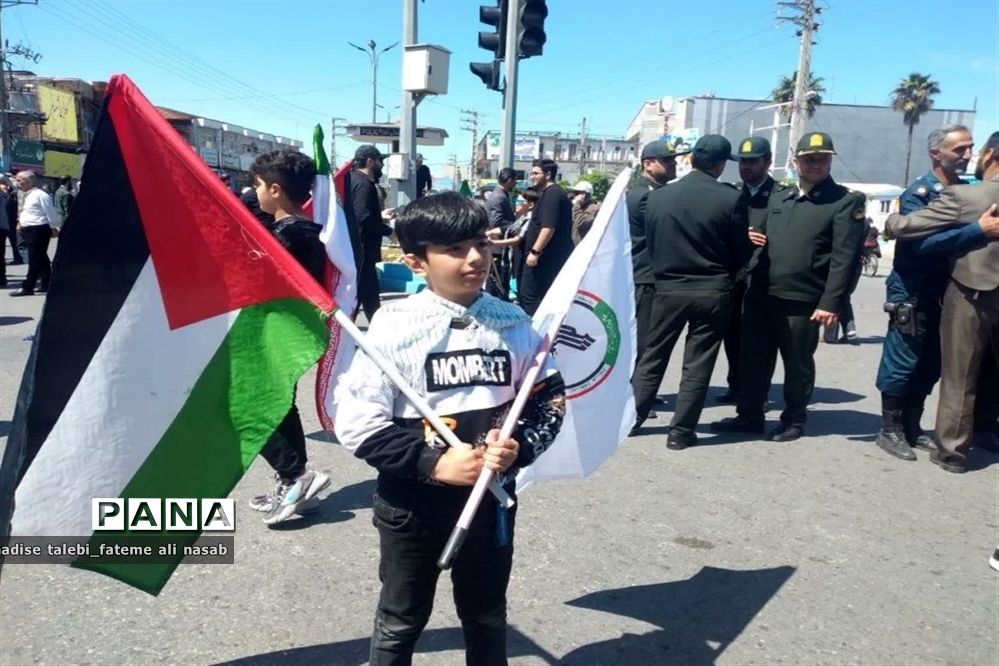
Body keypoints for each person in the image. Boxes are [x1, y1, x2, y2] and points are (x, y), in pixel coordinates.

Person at [333, 192, 566, 665]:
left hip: (492, 504)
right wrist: (434, 462)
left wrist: (517, 449)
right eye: (455, 249)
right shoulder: (392, 327)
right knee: (401, 618)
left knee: (485, 616)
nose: (476, 258)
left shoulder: (516, 323)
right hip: (410, 509)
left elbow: (550, 401)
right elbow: (357, 423)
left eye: (480, 243)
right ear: (417, 262)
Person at [712, 132, 866, 441]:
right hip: (761, 294)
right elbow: (760, 235)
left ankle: (795, 419)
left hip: (803, 300)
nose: (815, 165)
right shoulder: (778, 196)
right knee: (753, 361)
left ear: (830, 161)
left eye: (822, 159)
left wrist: (831, 302)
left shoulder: (845, 201)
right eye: (809, 159)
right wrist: (749, 236)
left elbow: (845, 259)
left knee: (797, 365)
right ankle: (749, 416)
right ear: (796, 162)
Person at [884, 131, 999, 474]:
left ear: (989, 155)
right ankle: (891, 429)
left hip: (957, 291)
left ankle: (917, 429)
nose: (967, 154)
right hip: (917, 287)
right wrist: (976, 231)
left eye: (970, 148)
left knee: (940, 368)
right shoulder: (926, 192)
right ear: (936, 153)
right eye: (959, 148)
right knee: (903, 360)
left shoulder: (967, 192)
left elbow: (899, 225)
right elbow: (913, 242)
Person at [630, 135, 748, 447]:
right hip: (713, 289)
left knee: (652, 357)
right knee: (698, 363)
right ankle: (680, 433)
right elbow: (741, 250)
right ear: (721, 165)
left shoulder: (658, 198)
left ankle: (632, 420)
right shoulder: (730, 198)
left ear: (691, 160)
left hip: (667, 287)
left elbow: (651, 246)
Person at [246, 150, 332, 524]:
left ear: (276, 189)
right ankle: (293, 483)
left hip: (275, 335)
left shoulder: (289, 234)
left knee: (248, 410)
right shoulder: (303, 229)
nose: (255, 192)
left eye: (258, 185)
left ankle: (297, 476)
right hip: (287, 333)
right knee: (281, 408)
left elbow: (261, 280)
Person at [719, 136, 785, 403]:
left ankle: (757, 391)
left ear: (768, 162)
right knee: (732, 337)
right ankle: (736, 385)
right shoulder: (734, 194)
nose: (746, 168)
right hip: (736, 279)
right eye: (743, 162)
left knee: (760, 343)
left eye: (752, 162)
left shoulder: (781, 196)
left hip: (764, 279)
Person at [627, 139, 687, 367]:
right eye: (667, 160)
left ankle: (641, 389)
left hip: (651, 276)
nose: (673, 164)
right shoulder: (645, 195)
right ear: (648, 164)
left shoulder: (654, 193)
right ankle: (638, 391)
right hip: (646, 276)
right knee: (645, 340)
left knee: (649, 339)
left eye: (673, 160)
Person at [519, 158, 573, 315]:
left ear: (548, 174)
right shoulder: (547, 194)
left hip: (544, 260)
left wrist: (535, 252)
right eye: (531, 173)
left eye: (536, 173)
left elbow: (548, 227)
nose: (532, 176)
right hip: (543, 258)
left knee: (530, 298)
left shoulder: (552, 195)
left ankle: (534, 335)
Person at [351, 144, 395, 321]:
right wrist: (388, 231)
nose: (382, 166)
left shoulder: (353, 180)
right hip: (363, 249)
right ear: (370, 161)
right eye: (379, 161)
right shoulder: (364, 185)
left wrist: (380, 217)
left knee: (364, 294)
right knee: (368, 292)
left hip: (356, 248)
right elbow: (363, 218)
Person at [10, 170, 59, 298]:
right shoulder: (26, 194)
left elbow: (50, 212)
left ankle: (28, 286)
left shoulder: (40, 195)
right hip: (27, 229)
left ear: (29, 181)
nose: (17, 182)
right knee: (41, 258)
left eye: (20, 180)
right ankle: (46, 284)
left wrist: (54, 227)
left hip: (38, 229)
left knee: (34, 258)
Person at [485, 168, 518, 298]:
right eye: (515, 181)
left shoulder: (502, 195)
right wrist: (518, 224)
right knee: (496, 282)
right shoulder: (499, 197)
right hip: (497, 248)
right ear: (510, 180)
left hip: (499, 246)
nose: (516, 184)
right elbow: (496, 222)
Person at [569, 180, 599, 244]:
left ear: (584, 195)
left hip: (583, 246)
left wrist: (577, 204)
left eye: (576, 193)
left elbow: (582, 223)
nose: (574, 195)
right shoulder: (575, 207)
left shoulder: (593, 208)